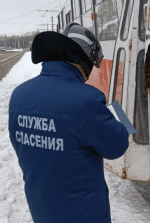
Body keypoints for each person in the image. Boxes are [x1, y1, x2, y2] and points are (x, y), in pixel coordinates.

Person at [8, 23, 129, 223]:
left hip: (41, 210)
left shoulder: (18, 95)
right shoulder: (87, 100)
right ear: (85, 61)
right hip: (84, 214)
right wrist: (123, 119)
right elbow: (116, 146)